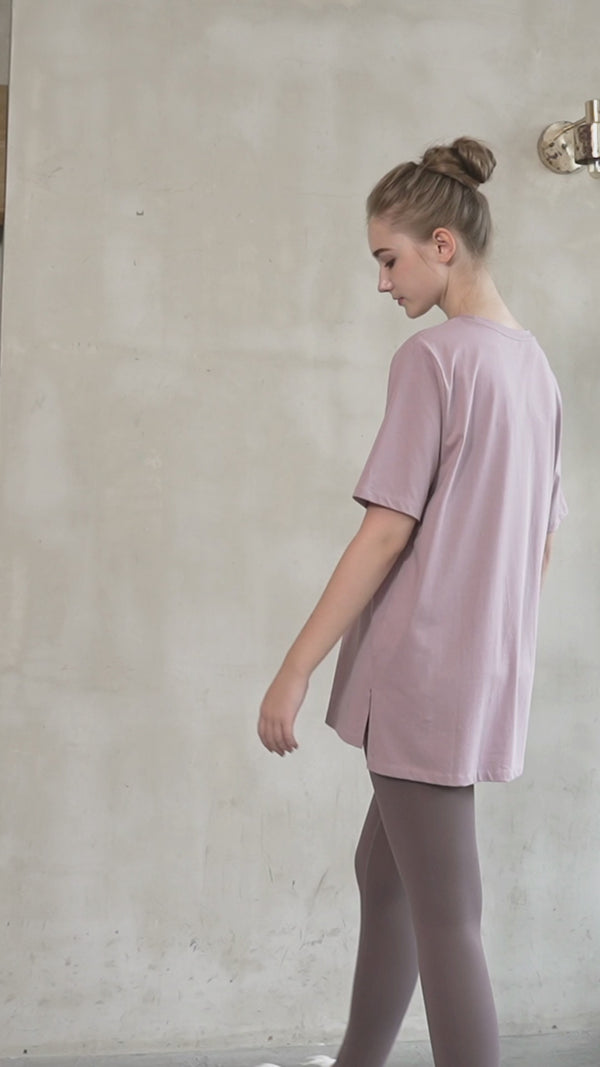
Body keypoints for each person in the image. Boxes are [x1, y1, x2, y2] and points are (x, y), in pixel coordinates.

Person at [257, 137, 568, 1067]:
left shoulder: (435, 360)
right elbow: (540, 544)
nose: (383, 282)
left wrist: (295, 667)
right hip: (478, 670)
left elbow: (386, 531)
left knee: (447, 916)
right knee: (384, 873)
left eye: (388, 260)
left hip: (421, 670)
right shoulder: (536, 371)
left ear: (442, 243)